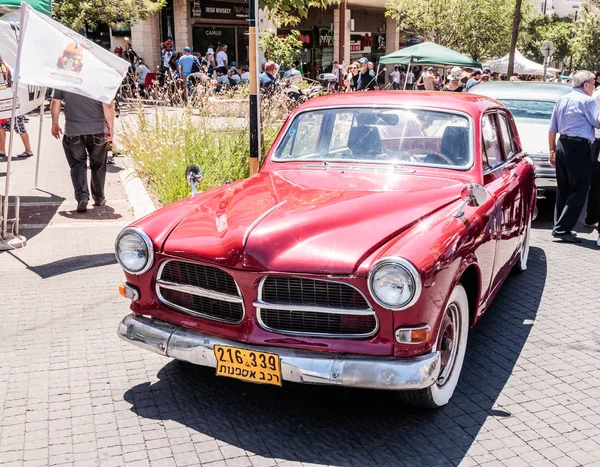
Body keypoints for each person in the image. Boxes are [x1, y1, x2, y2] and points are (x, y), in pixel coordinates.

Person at [548, 70, 600, 243]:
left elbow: (552, 128)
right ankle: (562, 229)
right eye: (593, 83)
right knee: (579, 188)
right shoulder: (587, 101)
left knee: (564, 188)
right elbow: (597, 122)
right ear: (585, 85)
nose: (595, 86)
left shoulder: (562, 99)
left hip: (562, 144)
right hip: (579, 147)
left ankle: (561, 226)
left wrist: (552, 150)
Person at [51, 90, 115, 213]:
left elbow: (55, 102)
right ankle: (99, 198)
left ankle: (82, 197)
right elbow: (108, 105)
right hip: (98, 131)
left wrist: (54, 123)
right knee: (98, 165)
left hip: (73, 131)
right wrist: (111, 128)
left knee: (77, 164)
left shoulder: (65, 78)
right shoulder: (100, 77)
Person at [584, 85, 600, 241]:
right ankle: (591, 217)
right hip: (597, 139)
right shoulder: (597, 95)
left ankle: (591, 216)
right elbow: (595, 119)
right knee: (596, 181)